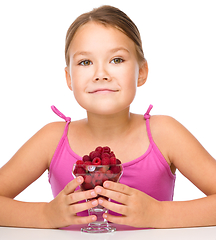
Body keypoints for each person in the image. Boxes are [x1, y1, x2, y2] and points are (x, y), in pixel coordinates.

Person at [0, 5, 216, 230]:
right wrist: (45, 215)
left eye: (117, 60)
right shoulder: (51, 139)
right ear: (69, 78)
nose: (101, 74)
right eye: (85, 62)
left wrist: (159, 213)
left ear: (141, 72)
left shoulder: (165, 134)